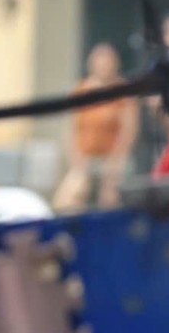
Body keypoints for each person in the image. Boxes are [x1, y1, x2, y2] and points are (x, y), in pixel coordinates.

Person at [52, 44, 137, 211]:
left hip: (112, 159)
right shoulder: (81, 91)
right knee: (67, 198)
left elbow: (129, 130)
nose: (104, 65)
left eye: (108, 61)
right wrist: (76, 160)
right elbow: (71, 128)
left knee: (110, 197)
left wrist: (115, 160)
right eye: (100, 61)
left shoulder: (122, 92)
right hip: (85, 157)